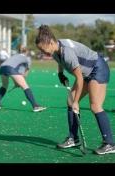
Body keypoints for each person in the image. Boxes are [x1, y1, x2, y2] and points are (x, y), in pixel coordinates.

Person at [35, 24, 115, 155]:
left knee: (95, 106)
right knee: (70, 102)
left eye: (43, 50)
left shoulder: (67, 52)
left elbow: (79, 78)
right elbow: (59, 61)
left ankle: (110, 143)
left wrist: (76, 102)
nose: (43, 53)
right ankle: (73, 138)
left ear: (50, 42)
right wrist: (60, 73)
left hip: (97, 69)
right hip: (86, 73)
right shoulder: (55, 48)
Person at [0, 46, 47, 112]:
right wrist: (19, 83)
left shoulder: (14, 56)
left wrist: (17, 83)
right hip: (10, 69)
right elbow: (23, 73)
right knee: (25, 86)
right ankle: (35, 106)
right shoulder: (26, 59)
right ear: (27, 52)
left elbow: (14, 72)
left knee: (4, 86)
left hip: (2, 68)